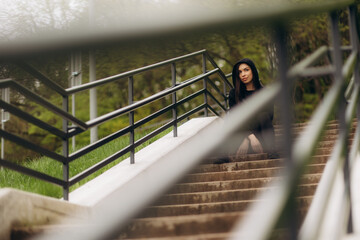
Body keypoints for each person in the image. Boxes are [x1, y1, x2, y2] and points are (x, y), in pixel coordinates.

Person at [215, 58, 277, 164]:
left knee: (263, 116)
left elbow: (269, 117)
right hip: (241, 137)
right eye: (240, 72)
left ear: (253, 71)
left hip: (261, 138)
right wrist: (248, 137)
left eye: (246, 70)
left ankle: (273, 151)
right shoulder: (234, 94)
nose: (243, 74)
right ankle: (223, 155)